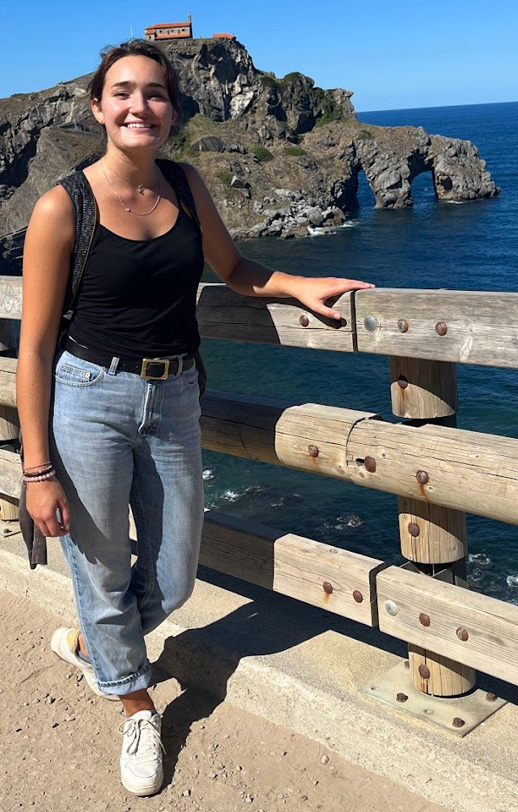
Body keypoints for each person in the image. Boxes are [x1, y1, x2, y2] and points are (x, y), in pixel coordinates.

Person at [17, 39, 374, 797]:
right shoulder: (61, 205)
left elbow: (236, 269)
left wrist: (298, 283)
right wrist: (36, 467)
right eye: (122, 92)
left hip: (175, 396)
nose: (138, 105)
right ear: (97, 108)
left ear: (172, 111)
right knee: (103, 562)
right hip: (88, 397)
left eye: (154, 94)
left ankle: (95, 642)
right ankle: (136, 702)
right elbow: (38, 345)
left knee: (174, 577)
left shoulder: (185, 184)